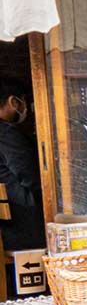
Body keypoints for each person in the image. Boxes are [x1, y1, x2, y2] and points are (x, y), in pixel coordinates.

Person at [0, 81, 44, 253]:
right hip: (20, 225)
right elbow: (30, 177)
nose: (26, 109)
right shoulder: (7, 134)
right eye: (25, 102)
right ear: (13, 102)